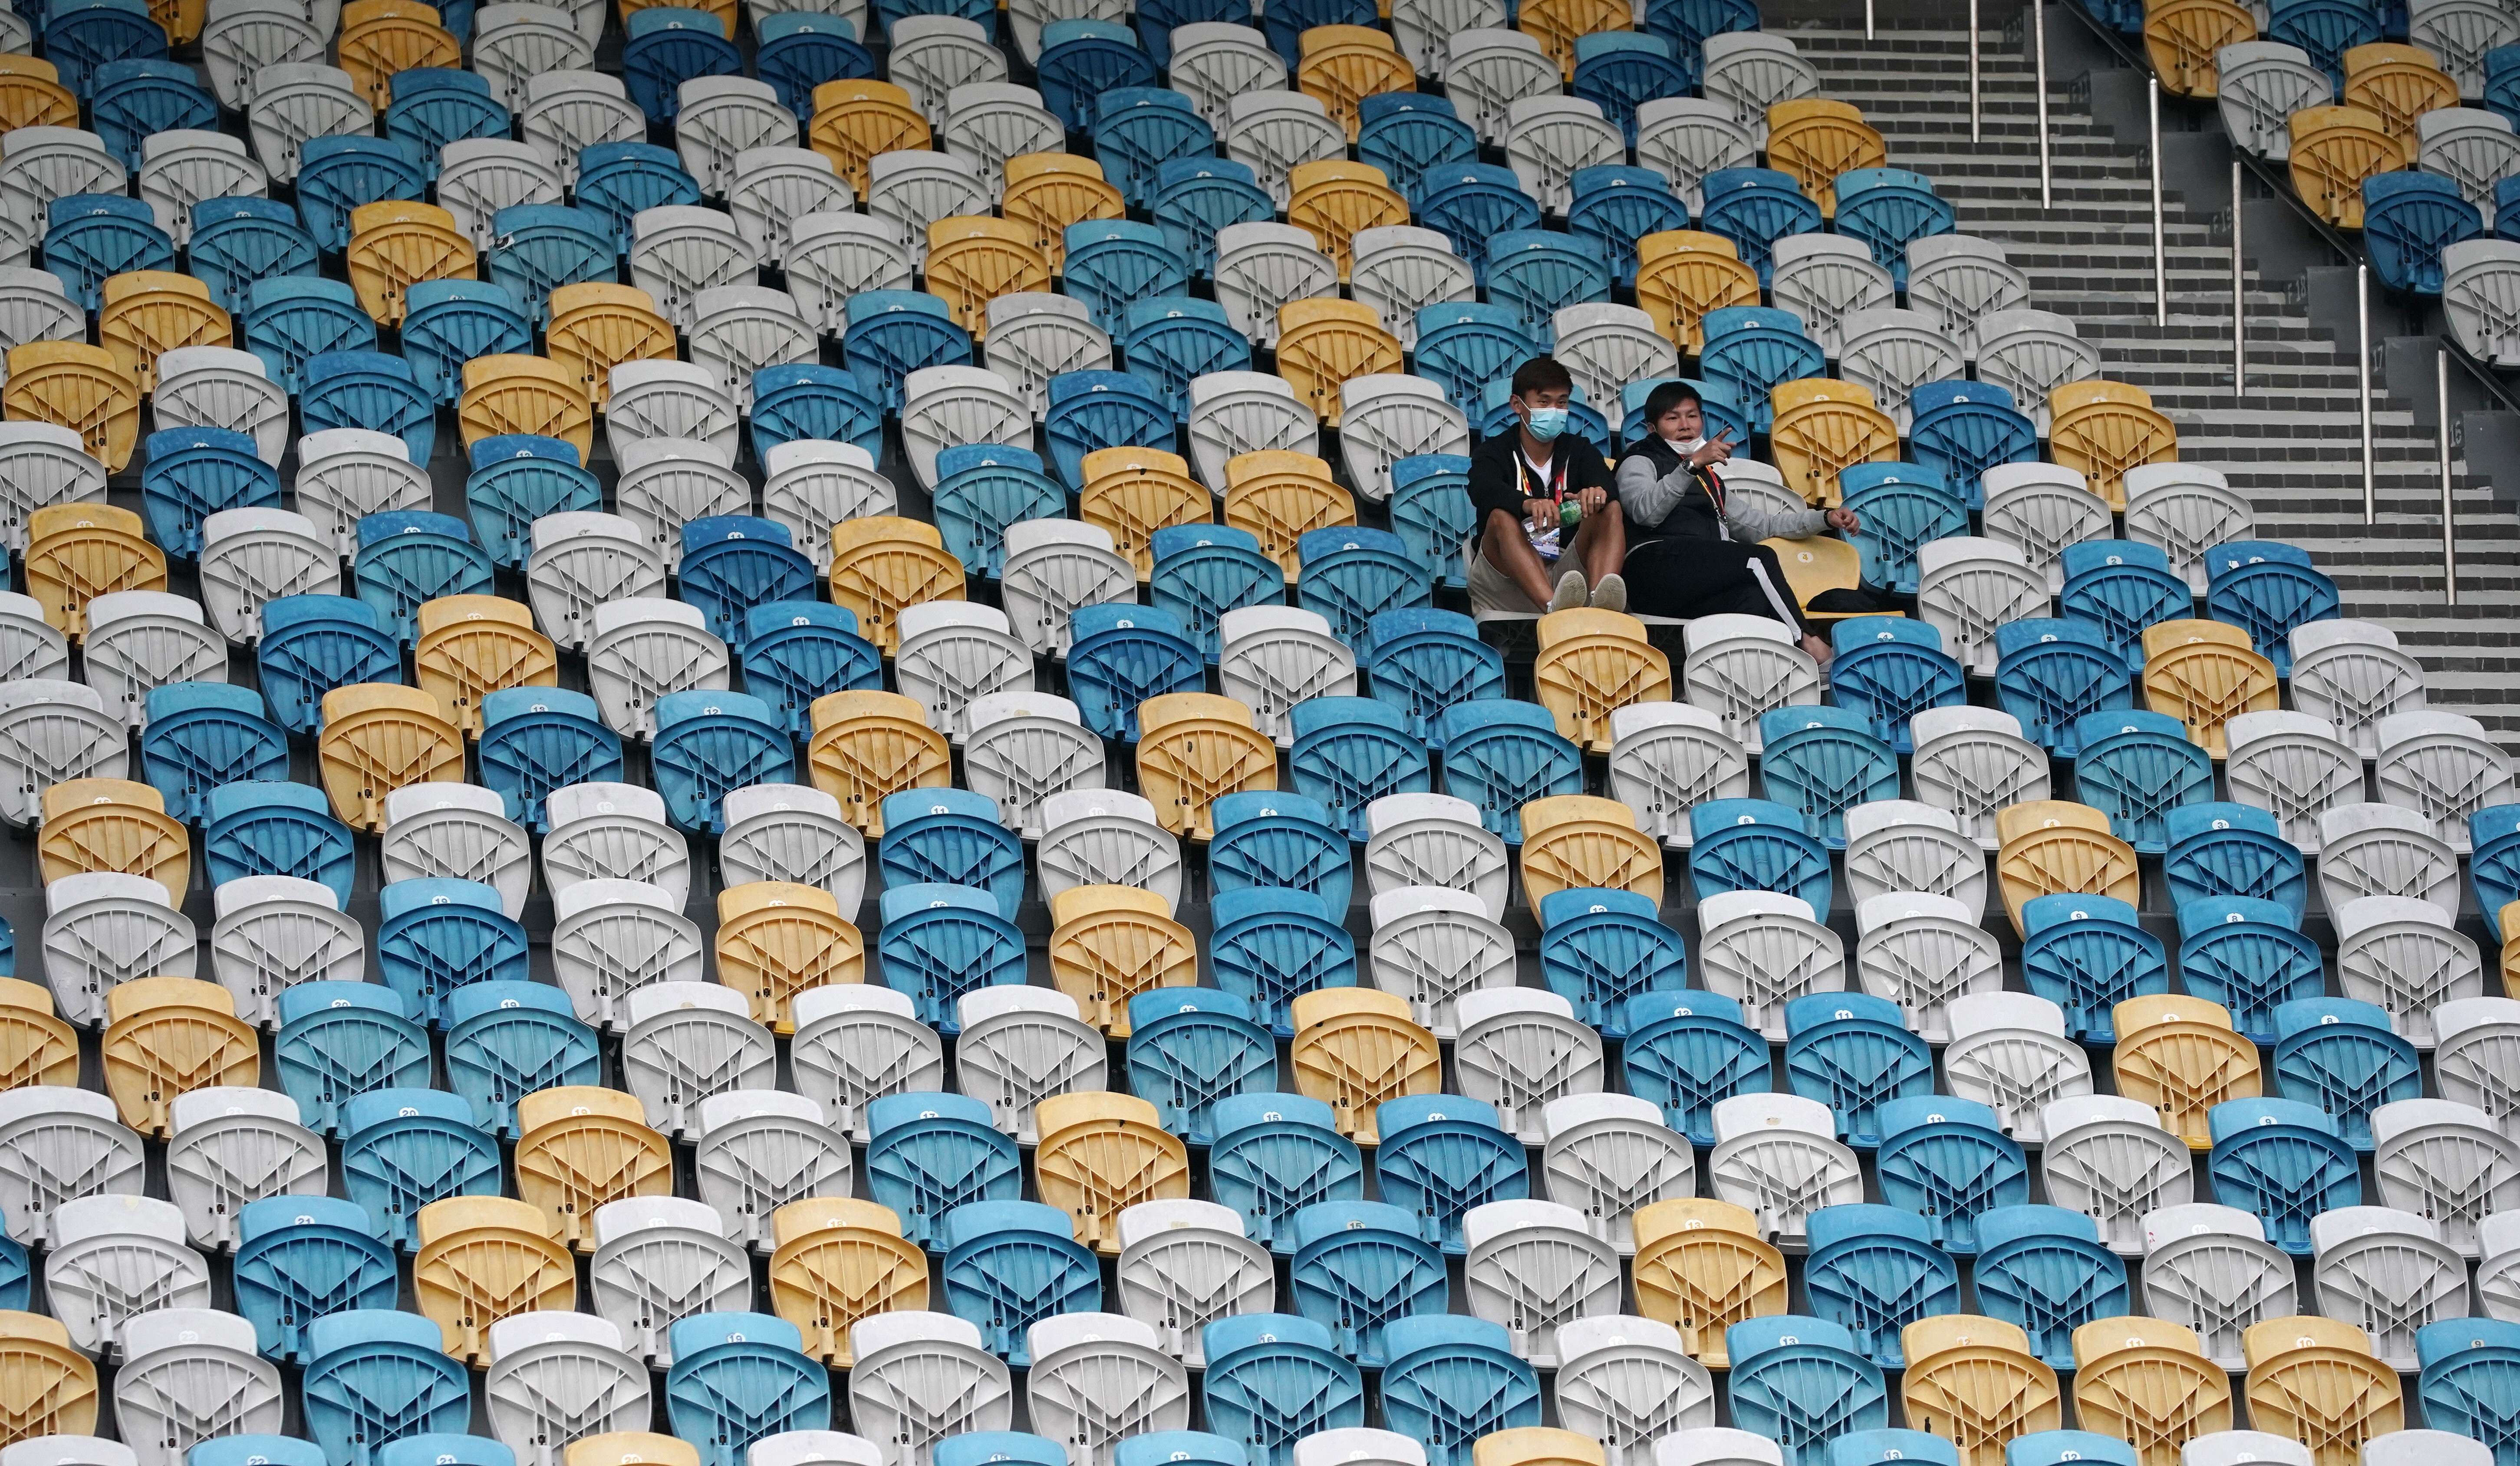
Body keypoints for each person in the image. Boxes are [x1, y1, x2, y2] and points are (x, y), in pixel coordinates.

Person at [1613, 379, 1861, 666]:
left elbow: (1762, 526)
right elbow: (1645, 512)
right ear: (1652, 428)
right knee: (1758, 559)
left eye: (1692, 416)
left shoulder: (1709, 479)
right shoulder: (1640, 460)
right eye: (1672, 418)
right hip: (1651, 571)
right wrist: (1690, 466)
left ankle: (1743, 676)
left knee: (1752, 597)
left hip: (1694, 579)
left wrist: (1824, 518)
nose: (1685, 425)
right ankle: (1809, 643)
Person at [1465, 356, 1627, 616]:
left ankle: (1602, 607)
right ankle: (1554, 611)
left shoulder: (1580, 449)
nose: (1554, 410)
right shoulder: (1493, 451)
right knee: (1500, 518)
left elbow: (1606, 482)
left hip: (1567, 576)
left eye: (1562, 402)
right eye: (1544, 402)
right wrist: (1526, 504)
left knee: (1609, 508)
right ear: (1517, 405)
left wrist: (1597, 491)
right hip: (1506, 580)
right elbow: (1482, 488)